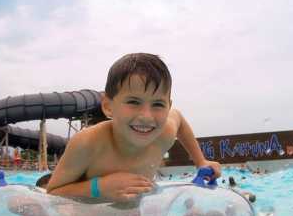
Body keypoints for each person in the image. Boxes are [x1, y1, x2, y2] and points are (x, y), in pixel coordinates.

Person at [47, 53, 221, 200]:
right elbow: (53, 193)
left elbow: (180, 120)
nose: (146, 116)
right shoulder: (89, 142)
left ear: (168, 106)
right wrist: (98, 188)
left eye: (158, 104)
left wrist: (200, 161)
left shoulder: (165, 132)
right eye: (133, 102)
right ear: (108, 106)